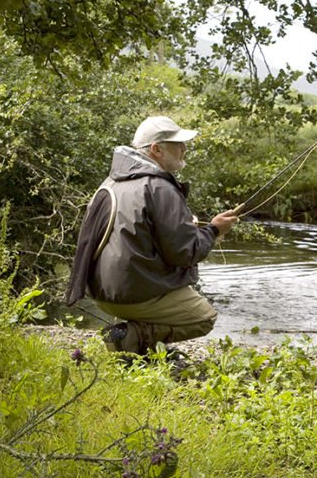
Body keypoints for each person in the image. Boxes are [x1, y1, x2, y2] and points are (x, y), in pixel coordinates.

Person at [64, 115, 239, 355]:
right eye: (178, 144)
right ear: (156, 149)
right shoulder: (160, 187)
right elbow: (185, 253)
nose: (184, 149)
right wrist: (215, 229)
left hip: (102, 294)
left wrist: (188, 226)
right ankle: (129, 339)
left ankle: (139, 348)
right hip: (130, 296)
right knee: (204, 317)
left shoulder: (112, 182)